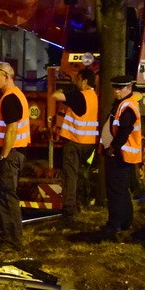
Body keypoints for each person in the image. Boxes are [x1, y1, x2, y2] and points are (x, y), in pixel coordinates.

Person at [0, 61, 31, 251]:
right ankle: (10, 238)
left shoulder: (10, 98)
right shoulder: (16, 96)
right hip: (16, 154)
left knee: (6, 198)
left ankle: (11, 240)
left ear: (7, 76)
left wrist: (4, 154)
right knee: (6, 196)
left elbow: (11, 129)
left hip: (10, 155)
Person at [99, 74, 141, 239]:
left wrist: (113, 148)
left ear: (129, 88)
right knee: (122, 191)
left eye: (120, 88)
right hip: (121, 154)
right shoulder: (122, 103)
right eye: (115, 88)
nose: (116, 91)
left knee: (116, 192)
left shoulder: (127, 106)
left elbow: (125, 130)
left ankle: (114, 225)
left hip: (120, 155)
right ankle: (124, 222)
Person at [53, 67, 98, 218]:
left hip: (74, 142)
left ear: (84, 81)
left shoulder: (79, 96)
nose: (76, 81)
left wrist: (61, 89)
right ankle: (83, 202)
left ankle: (69, 207)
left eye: (77, 79)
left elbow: (56, 96)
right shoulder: (94, 97)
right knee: (83, 174)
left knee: (70, 175)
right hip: (90, 144)